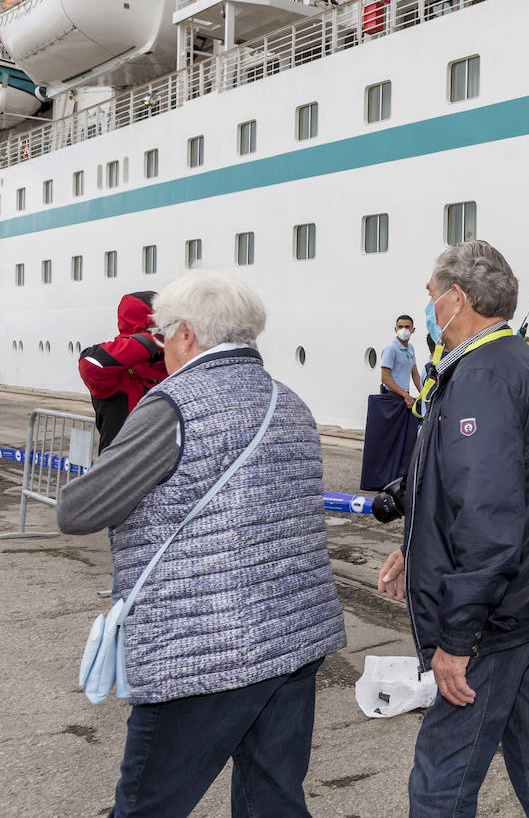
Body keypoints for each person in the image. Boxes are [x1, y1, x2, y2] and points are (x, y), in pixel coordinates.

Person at [55, 269, 346, 816]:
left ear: (186, 334)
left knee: (148, 805)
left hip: (200, 650)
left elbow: (78, 510)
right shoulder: (292, 404)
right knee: (273, 802)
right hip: (294, 640)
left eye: (165, 334)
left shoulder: (174, 406)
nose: (162, 347)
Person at [378, 240, 529, 817]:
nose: (430, 310)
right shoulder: (511, 362)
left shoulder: (483, 376)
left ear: (457, 297)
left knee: (441, 780)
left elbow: (489, 519)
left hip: (504, 613)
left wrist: (457, 640)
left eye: (432, 297)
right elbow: (487, 489)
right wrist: (414, 546)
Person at [77, 291, 168, 451]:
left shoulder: (171, 363)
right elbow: (91, 364)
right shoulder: (118, 371)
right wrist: (158, 337)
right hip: (121, 467)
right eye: (159, 324)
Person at [360, 314, 422, 490]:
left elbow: (415, 374)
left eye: (407, 327)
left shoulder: (410, 349)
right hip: (393, 399)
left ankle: (400, 477)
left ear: (413, 330)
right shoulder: (391, 349)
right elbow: (385, 377)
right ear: (395, 329)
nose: (404, 330)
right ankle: (381, 479)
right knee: (388, 442)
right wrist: (404, 395)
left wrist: (424, 394)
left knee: (406, 441)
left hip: (405, 399)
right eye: (400, 326)